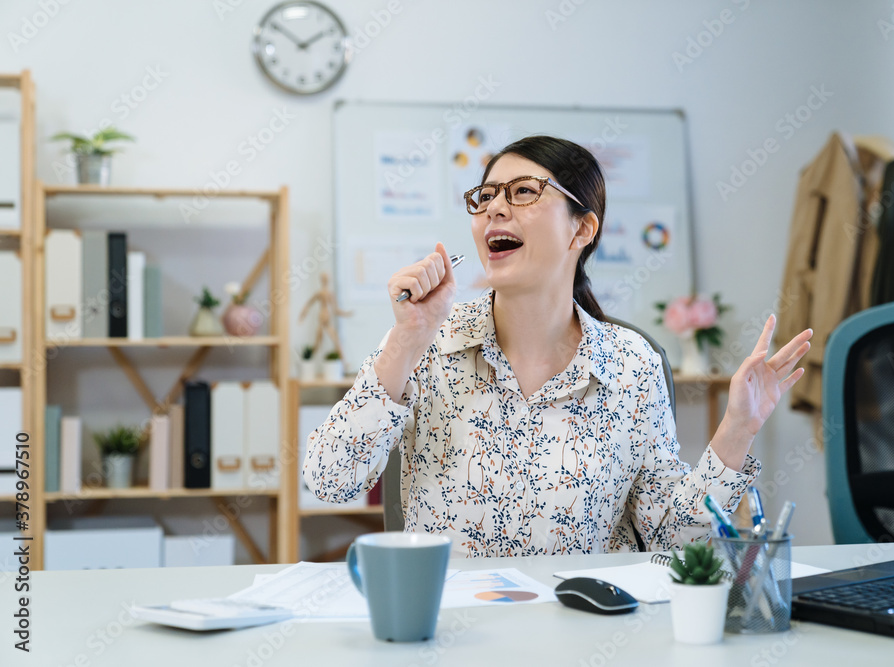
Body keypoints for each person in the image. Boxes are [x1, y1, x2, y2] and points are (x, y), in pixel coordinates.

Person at [303, 136, 812, 557]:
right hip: (454, 633)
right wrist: (406, 340)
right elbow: (328, 481)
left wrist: (738, 428)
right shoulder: (426, 344)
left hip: (585, 632)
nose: (495, 208)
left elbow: (672, 538)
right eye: (485, 196)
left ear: (582, 229)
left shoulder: (631, 365)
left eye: (524, 191)